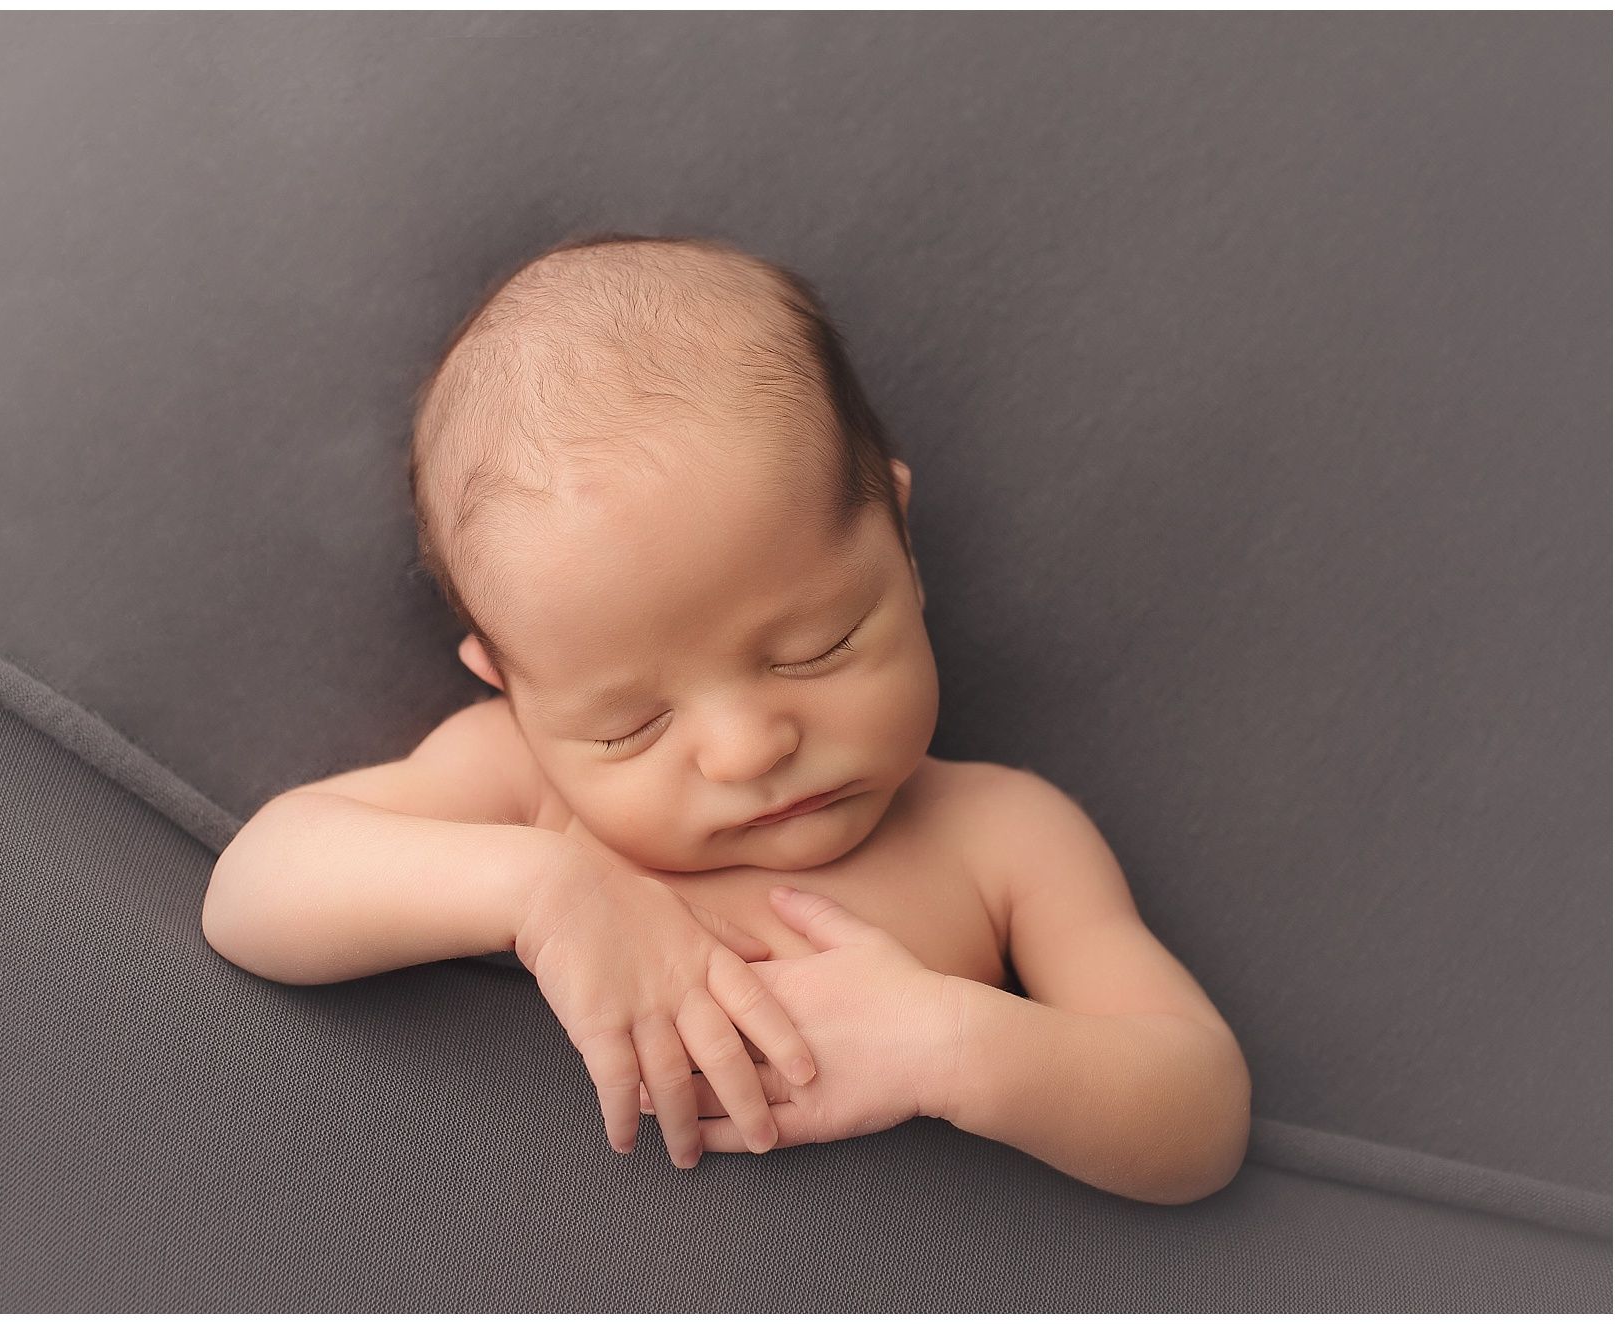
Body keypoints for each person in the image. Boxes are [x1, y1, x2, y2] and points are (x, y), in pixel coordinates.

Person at [202, 233, 1250, 1201]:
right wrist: (543, 890)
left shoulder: (1004, 839)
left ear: (901, 544)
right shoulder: (526, 789)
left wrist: (957, 1045)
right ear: (508, 688)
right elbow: (254, 886)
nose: (752, 748)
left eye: (819, 646)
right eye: (630, 724)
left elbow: (1200, 1114)